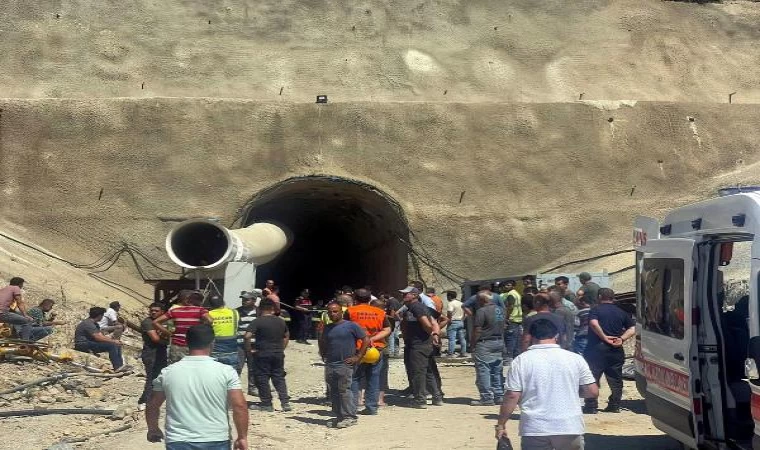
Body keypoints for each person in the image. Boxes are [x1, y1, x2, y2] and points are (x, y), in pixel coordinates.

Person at [496, 319, 598, 450]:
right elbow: (592, 391)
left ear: (531, 337)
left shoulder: (521, 360)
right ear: (557, 336)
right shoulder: (575, 359)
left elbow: (512, 395)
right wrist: (570, 391)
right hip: (569, 426)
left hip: (535, 427)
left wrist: (501, 424)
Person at [146, 325, 249, 450]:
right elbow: (239, 406)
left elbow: (153, 404)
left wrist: (153, 428)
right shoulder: (226, 371)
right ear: (213, 342)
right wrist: (242, 437)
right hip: (216, 439)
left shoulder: (168, 372)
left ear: (186, 342)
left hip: (178, 440)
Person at [583, 288, 635, 414]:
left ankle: (591, 406)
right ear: (613, 297)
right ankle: (615, 405)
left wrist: (604, 337)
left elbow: (594, 324)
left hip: (596, 348)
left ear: (600, 296)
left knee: (592, 377)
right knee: (615, 378)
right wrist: (621, 339)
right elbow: (633, 328)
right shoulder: (621, 312)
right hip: (615, 349)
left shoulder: (595, 310)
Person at [319, 302, 370, 428]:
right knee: (333, 391)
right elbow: (323, 341)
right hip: (330, 364)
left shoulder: (351, 326)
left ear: (341, 312)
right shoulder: (327, 327)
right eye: (330, 312)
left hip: (345, 364)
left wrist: (358, 356)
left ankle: (350, 417)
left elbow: (366, 339)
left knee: (344, 390)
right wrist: (323, 354)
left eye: (335, 311)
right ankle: (339, 416)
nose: (332, 314)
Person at [346, 288, 391, 415]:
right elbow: (387, 329)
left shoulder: (350, 311)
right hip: (376, 349)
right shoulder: (379, 312)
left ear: (355, 299)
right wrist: (372, 339)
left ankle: (352, 407)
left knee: (354, 378)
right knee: (373, 377)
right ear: (370, 299)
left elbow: (344, 328)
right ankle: (371, 407)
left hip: (357, 349)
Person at [244, 298, 291, 412]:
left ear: (259, 308)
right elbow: (286, 336)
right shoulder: (280, 321)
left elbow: (247, 336)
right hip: (278, 353)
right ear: (272, 308)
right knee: (279, 377)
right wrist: (281, 348)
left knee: (262, 378)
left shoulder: (257, 321)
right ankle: (285, 403)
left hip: (262, 353)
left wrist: (249, 350)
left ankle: (267, 404)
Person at [400, 287, 443, 408]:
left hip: (419, 344)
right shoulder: (416, 307)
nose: (403, 296)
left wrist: (430, 332)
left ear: (414, 295)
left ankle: (420, 400)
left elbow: (427, 323)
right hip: (422, 343)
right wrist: (434, 334)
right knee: (428, 371)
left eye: (405, 294)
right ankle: (437, 397)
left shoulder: (416, 307)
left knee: (418, 372)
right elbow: (434, 321)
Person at [154, 290, 212, 364]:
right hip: (193, 347)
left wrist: (169, 334)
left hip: (176, 346)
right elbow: (210, 320)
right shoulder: (201, 310)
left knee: (176, 368)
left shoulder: (174, 311)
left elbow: (155, 322)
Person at [470, 292, 506, 406]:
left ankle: (486, 397)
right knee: (497, 369)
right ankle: (499, 395)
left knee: (483, 370)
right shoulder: (500, 310)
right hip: (499, 341)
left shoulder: (481, 311)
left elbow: (478, 329)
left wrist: (472, 344)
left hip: (485, 342)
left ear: (482, 300)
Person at [74, 306, 128, 371]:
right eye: (102, 315)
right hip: (82, 344)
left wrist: (114, 341)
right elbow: (98, 337)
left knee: (117, 345)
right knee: (112, 345)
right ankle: (117, 367)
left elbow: (100, 335)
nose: (102, 317)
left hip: (90, 343)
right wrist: (113, 341)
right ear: (99, 316)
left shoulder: (95, 324)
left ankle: (120, 366)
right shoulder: (88, 324)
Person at [138, 303, 169, 406]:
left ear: (162, 312)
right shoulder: (148, 322)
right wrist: (170, 338)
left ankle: (148, 399)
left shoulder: (163, 322)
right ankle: (147, 400)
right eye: (152, 310)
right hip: (151, 353)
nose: (153, 312)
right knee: (152, 377)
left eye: (156, 311)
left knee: (159, 376)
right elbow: (155, 339)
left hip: (160, 352)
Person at [236, 291, 260, 396]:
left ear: (254, 300)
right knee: (237, 367)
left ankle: (252, 388)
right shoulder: (236, 312)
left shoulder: (259, 312)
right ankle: (234, 388)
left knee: (253, 367)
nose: (243, 301)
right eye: (243, 299)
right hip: (239, 344)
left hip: (254, 344)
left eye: (246, 299)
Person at [208, 295, 240, 369]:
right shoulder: (235, 312)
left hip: (215, 349)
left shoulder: (208, 314)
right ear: (224, 302)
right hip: (231, 349)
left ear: (210, 304)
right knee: (231, 374)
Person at [502, 280, 523, 364]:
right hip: (518, 319)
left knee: (509, 340)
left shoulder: (510, 294)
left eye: (508, 285)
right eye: (506, 285)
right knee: (517, 341)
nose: (506, 287)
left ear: (513, 286)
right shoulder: (517, 294)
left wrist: (506, 319)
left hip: (512, 319)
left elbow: (509, 307)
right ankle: (516, 358)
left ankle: (508, 359)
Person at [446, 290, 467, 356]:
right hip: (460, 322)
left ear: (449, 296)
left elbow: (449, 312)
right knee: (462, 338)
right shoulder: (461, 303)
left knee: (452, 338)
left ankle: (450, 353)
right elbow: (465, 314)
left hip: (453, 322)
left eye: (447, 296)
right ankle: (463, 352)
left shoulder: (451, 303)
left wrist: (449, 320)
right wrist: (462, 320)